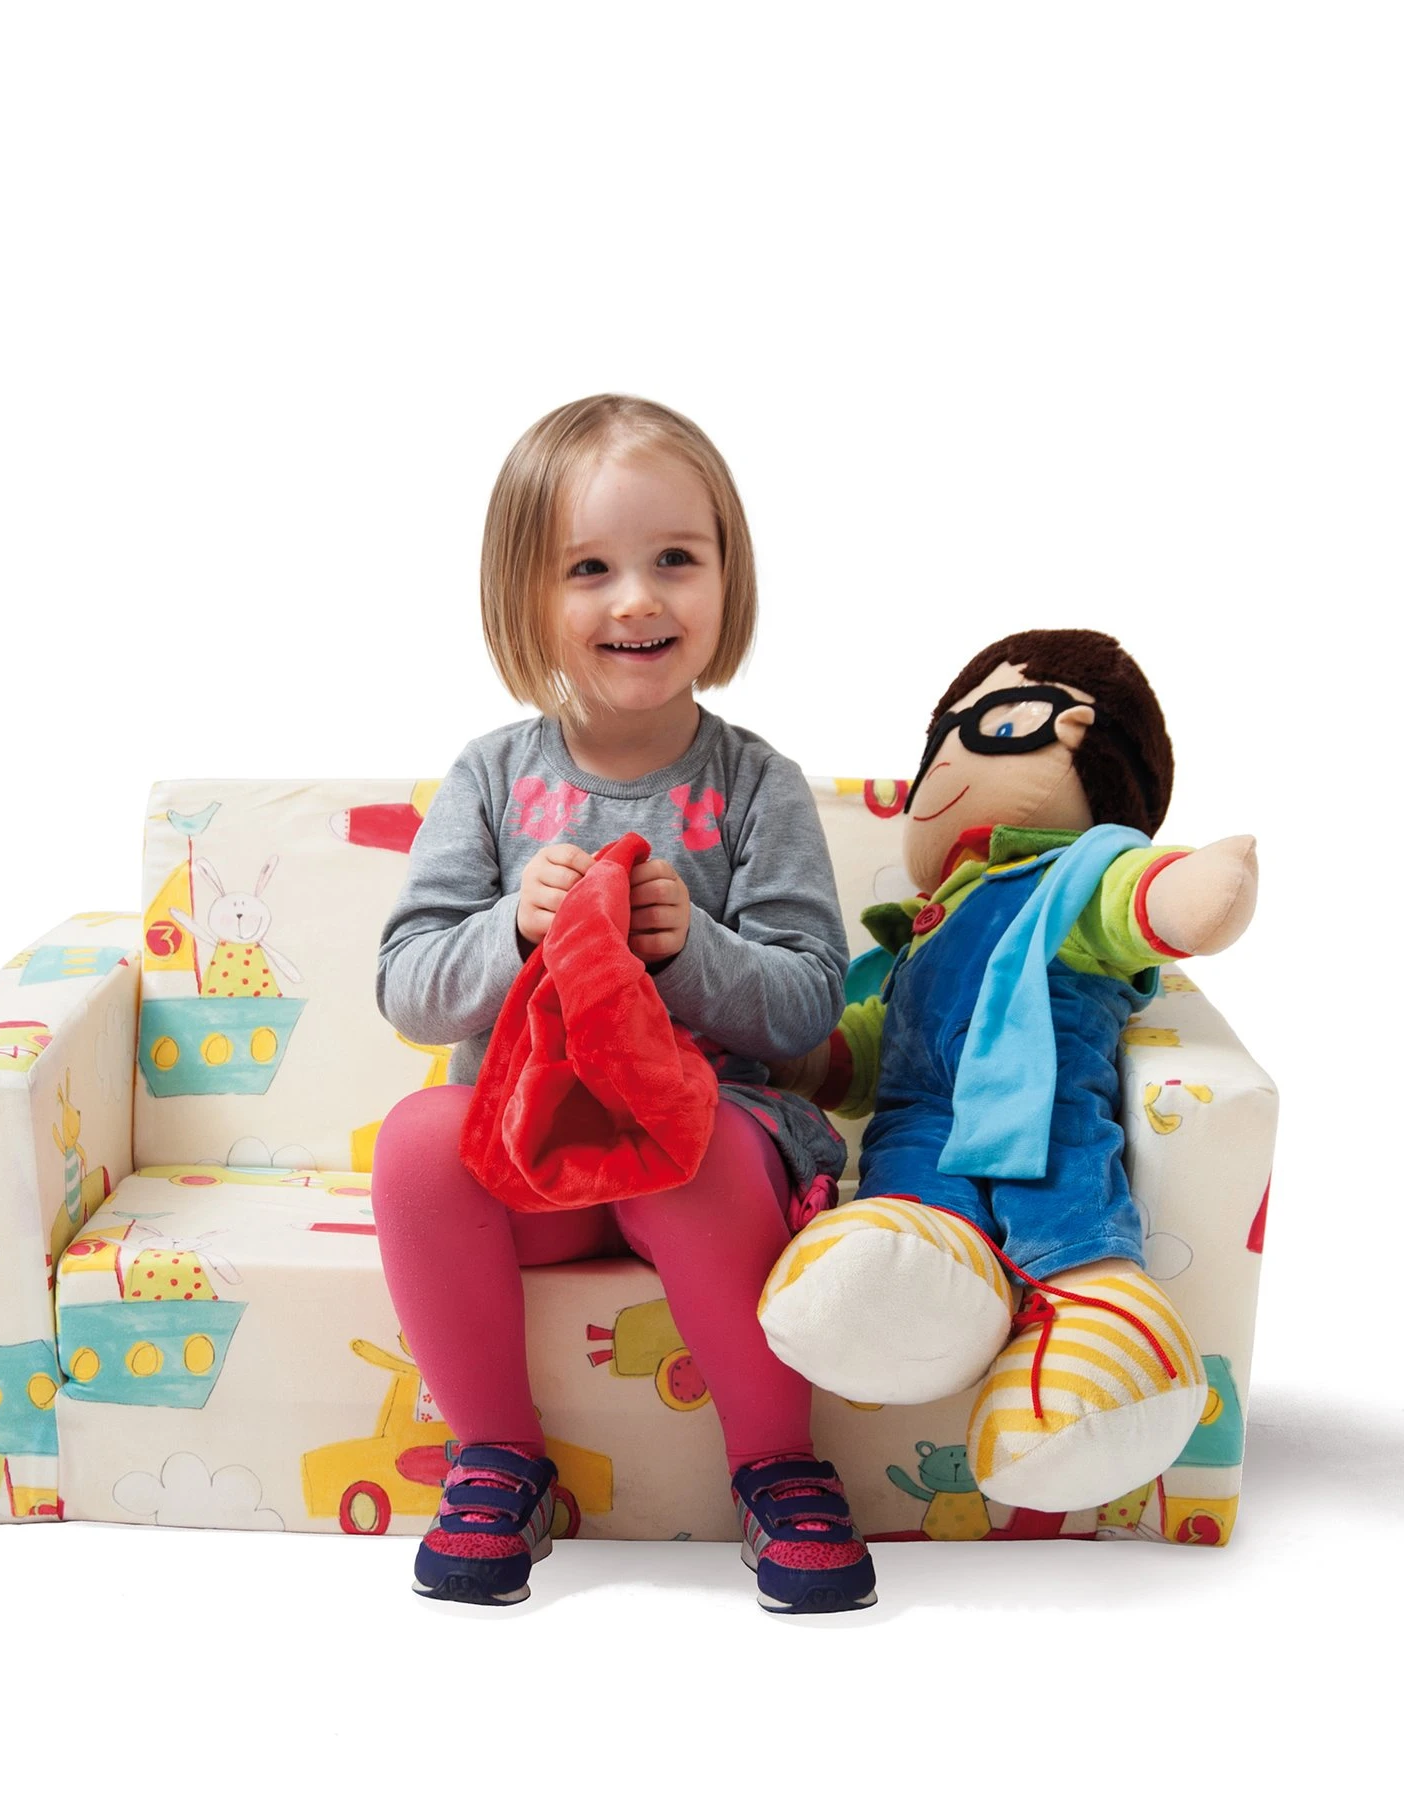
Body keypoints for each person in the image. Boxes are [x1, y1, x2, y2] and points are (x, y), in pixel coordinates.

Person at [371, 394, 873, 1612]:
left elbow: (809, 1002)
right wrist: (513, 927)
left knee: (696, 1147)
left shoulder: (756, 785)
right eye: (588, 568)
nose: (636, 599)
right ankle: (497, 1456)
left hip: (700, 1169)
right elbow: (407, 987)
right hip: (535, 1159)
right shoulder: (494, 777)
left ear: (727, 578)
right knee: (418, 1143)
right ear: (525, 598)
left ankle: (778, 1463)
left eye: (675, 560)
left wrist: (692, 949)